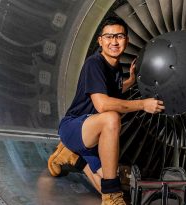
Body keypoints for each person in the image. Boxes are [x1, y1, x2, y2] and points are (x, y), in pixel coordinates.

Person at [47, 16, 165, 205]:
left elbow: (113, 90)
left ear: (126, 40)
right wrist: (142, 104)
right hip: (74, 128)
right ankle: (111, 197)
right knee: (111, 118)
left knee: (110, 183)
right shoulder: (94, 64)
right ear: (100, 40)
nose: (114, 41)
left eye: (119, 36)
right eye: (109, 37)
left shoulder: (115, 67)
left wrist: (131, 81)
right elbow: (102, 104)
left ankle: (70, 155)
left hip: (93, 137)